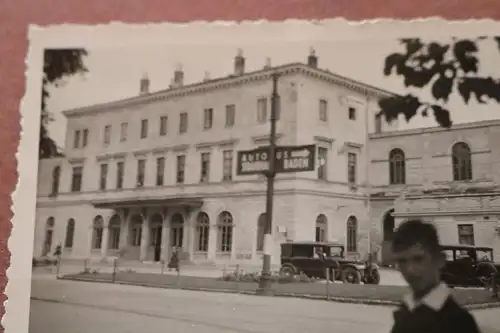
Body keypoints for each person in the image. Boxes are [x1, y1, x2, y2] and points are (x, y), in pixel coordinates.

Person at [390, 219, 481, 333]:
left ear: (440, 260)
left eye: (418, 259)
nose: (410, 270)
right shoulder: (406, 310)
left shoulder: (459, 323)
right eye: (402, 261)